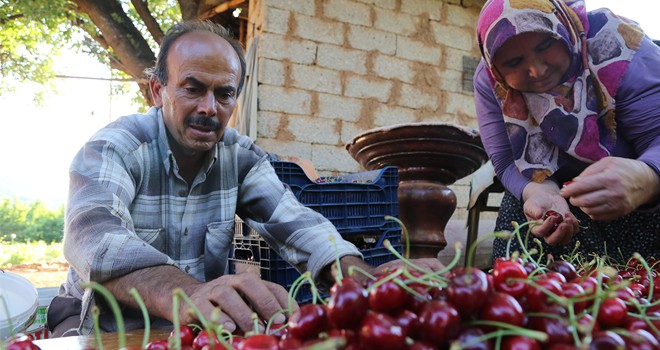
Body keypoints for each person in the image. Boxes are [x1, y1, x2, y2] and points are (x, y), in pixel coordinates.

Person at [47, 20, 444, 337]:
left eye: (224, 94)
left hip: (185, 331)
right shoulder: (115, 148)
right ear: (157, 89)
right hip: (99, 325)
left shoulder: (240, 157)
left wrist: (357, 273)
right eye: (193, 88)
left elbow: (297, 223)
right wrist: (189, 292)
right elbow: (94, 240)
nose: (209, 108)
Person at [473, 0, 660, 265]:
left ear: (566, 30)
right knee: (520, 212)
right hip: (562, 208)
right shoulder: (490, 81)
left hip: (643, 199)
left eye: (545, 45)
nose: (537, 70)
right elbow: (505, 161)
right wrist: (539, 193)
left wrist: (647, 177)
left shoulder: (621, 48)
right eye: (514, 61)